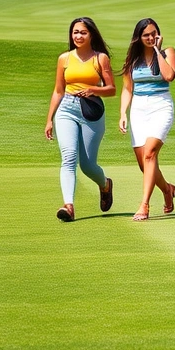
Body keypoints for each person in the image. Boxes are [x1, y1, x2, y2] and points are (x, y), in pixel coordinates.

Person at [44, 17, 116, 222]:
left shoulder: (100, 58)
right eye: (75, 32)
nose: (78, 36)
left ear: (91, 34)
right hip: (66, 108)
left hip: (91, 110)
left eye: (83, 32)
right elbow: (58, 91)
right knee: (68, 158)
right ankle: (69, 206)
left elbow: (111, 90)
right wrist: (49, 119)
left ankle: (105, 185)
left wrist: (93, 89)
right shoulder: (64, 59)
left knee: (87, 165)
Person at [119, 18, 175, 221]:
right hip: (138, 108)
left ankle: (144, 205)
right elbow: (128, 89)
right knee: (144, 163)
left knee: (150, 153)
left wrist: (157, 51)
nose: (151, 37)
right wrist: (122, 114)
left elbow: (169, 75)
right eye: (146, 35)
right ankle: (167, 189)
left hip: (161, 105)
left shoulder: (167, 52)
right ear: (139, 37)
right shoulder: (132, 58)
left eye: (154, 33)